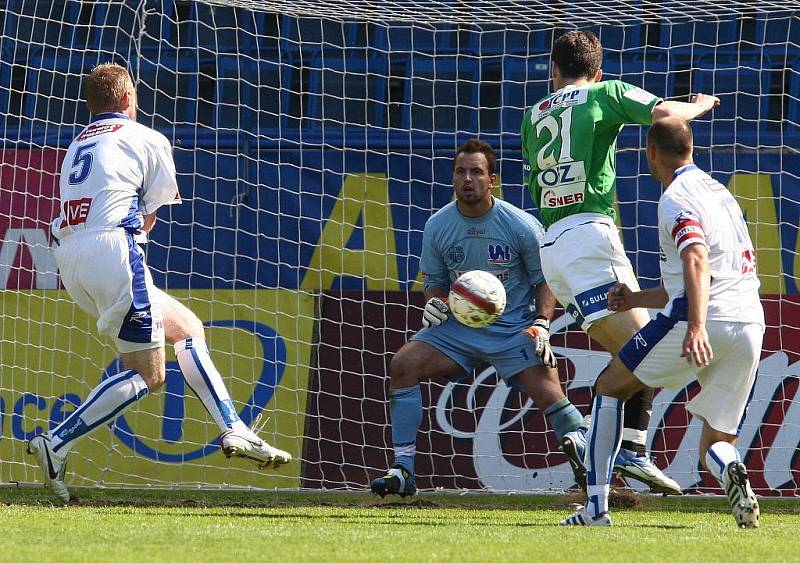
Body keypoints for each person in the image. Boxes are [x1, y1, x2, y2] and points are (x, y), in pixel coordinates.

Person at [27, 62, 291, 503]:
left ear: (93, 104)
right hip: (115, 251)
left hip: (70, 257)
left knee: (187, 328)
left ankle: (234, 429)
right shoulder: (147, 137)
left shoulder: (76, 144)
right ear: (129, 99)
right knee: (150, 376)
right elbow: (149, 215)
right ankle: (56, 442)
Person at [520, 30, 721, 494]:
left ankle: (627, 453)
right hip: (589, 237)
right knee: (647, 350)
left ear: (553, 71)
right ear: (598, 71)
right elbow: (666, 115)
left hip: (552, 247)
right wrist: (701, 105)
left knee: (631, 353)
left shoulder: (532, 116)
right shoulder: (603, 93)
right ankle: (597, 441)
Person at [560, 118, 763, 527]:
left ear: (651, 152)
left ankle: (595, 509)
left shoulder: (675, 197)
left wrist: (696, 326)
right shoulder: (719, 191)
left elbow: (696, 259)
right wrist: (635, 300)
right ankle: (732, 473)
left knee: (609, 387)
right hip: (750, 323)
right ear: (691, 149)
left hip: (702, 318)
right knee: (715, 444)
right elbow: (698, 273)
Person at [370, 139, 584, 497]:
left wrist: (543, 323)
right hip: (458, 329)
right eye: (460, 172)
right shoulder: (438, 226)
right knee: (403, 364)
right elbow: (435, 282)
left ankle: (595, 475)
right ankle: (403, 469)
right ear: (453, 178)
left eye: (476, 172)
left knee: (552, 397)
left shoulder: (520, 225)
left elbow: (544, 279)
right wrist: (435, 302)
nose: (467, 179)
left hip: (513, 329)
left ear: (492, 180)